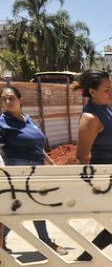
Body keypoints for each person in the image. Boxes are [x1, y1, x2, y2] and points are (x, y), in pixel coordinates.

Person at [74, 69, 112, 261]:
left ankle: (87, 259)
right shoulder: (90, 118)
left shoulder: (107, 108)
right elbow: (81, 156)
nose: (111, 92)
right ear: (92, 92)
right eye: (107, 89)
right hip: (107, 180)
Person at [0, 86, 68, 255]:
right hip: (18, 169)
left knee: (22, 208)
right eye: (4, 99)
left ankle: (2, 241)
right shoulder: (2, 123)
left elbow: (37, 145)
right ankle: (45, 242)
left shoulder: (28, 119)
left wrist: (50, 162)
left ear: (20, 100)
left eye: (11, 98)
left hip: (37, 168)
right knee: (31, 206)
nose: (7, 102)